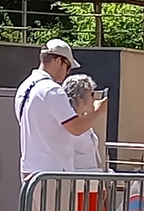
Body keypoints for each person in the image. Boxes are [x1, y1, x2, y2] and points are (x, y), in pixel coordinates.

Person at [14, 38, 108, 182]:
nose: (67, 73)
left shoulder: (24, 87)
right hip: (53, 173)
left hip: (30, 171)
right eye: (68, 67)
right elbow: (76, 128)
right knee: (58, 206)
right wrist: (98, 111)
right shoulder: (51, 90)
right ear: (58, 61)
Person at [61, 73, 107, 170]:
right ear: (80, 97)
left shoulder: (83, 119)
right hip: (77, 180)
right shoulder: (70, 123)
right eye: (91, 94)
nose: (93, 98)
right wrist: (98, 112)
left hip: (90, 179)